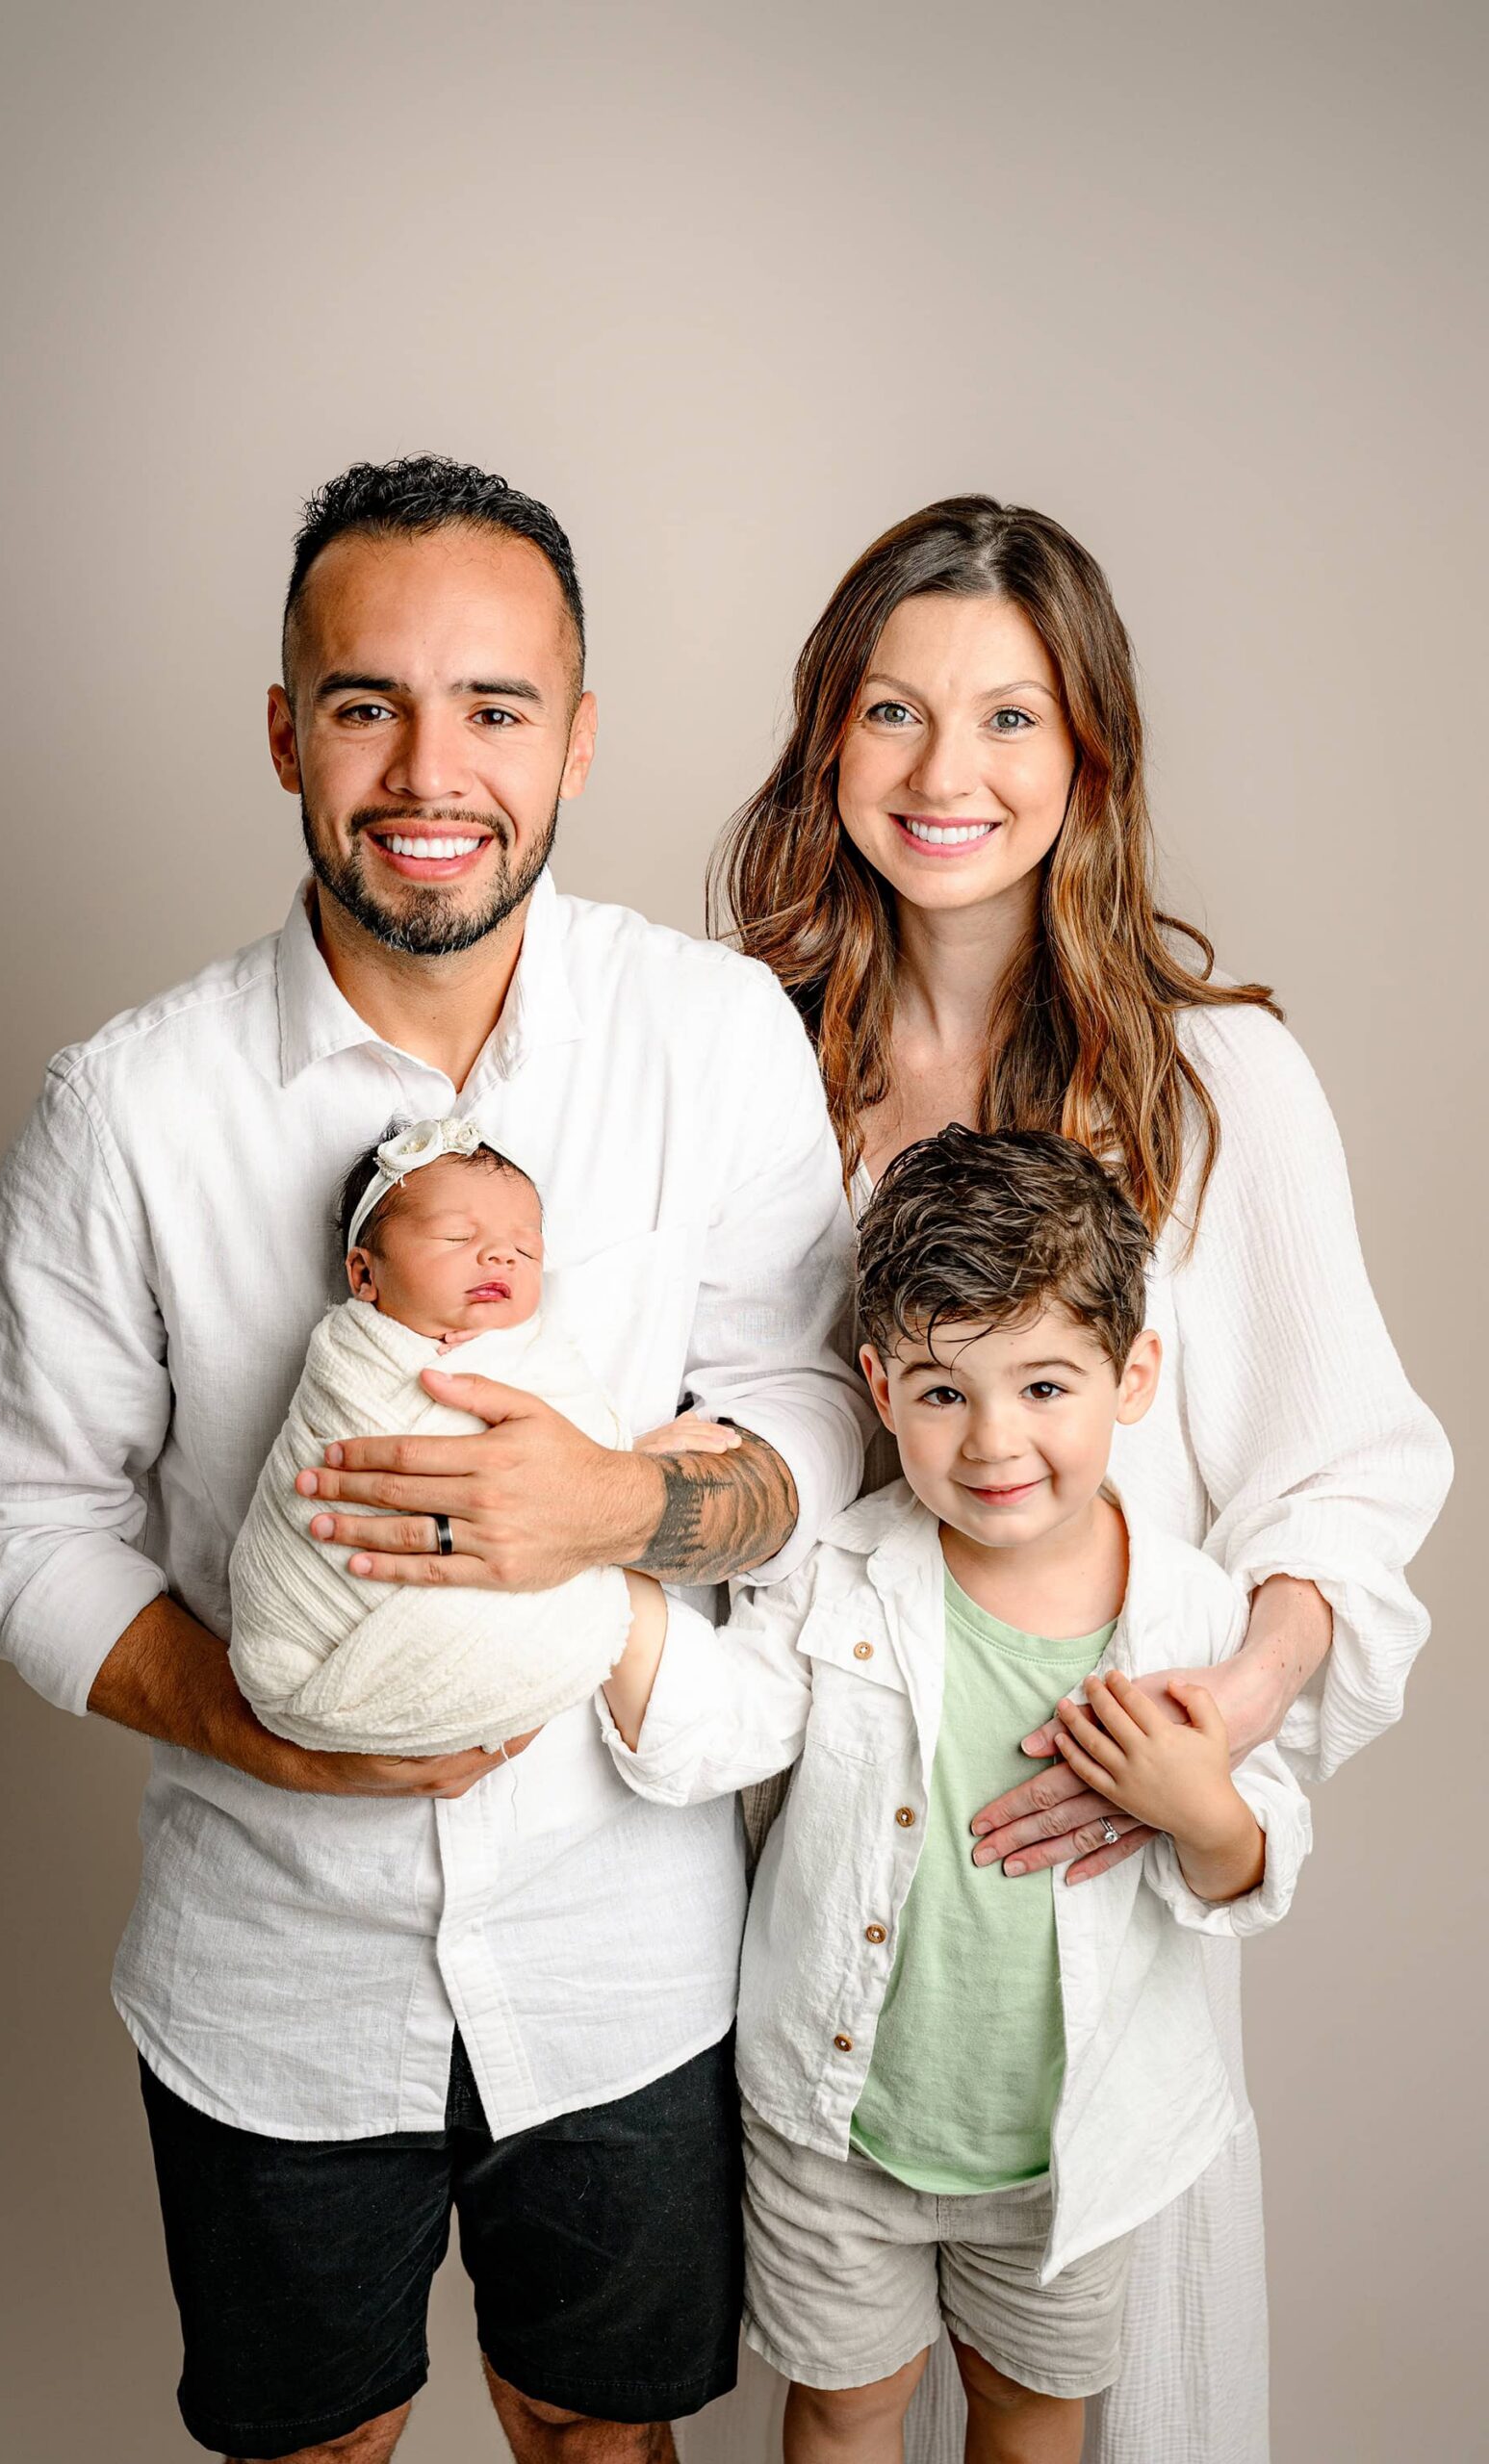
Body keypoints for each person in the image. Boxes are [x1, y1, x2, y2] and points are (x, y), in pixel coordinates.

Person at [0, 454, 871, 2464]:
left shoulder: (706, 1038)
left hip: (627, 1954)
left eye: (493, 707)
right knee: (313, 2446)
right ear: (285, 728)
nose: (429, 770)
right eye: (366, 702)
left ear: (580, 740)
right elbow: (6, 1517)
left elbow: (811, 1404)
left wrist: (625, 1502)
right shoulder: (129, 1105)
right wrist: (258, 1723)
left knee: (595, 2435)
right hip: (270, 1966)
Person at [714, 495, 1450, 2459]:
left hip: (1090, 1896)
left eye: (1009, 717)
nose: (945, 772)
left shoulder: (1215, 1086)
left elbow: (1349, 1473)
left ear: (1088, 752)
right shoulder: (738, 1072)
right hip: (796, 1890)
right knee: (827, 2387)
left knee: (1087, 2403)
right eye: (889, 710)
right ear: (824, 741)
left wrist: (1232, 1696)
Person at [600, 1125, 1312, 2464]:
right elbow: (710, 1731)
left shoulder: (1189, 1614)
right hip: (837, 2121)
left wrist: (1193, 1802)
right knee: (846, 2411)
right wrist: (618, 1550)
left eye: (1044, 1386)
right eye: (940, 1392)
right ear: (875, 1386)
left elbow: (1252, 1863)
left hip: (1063, 2145)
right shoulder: (835, 1571)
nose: (993, 1442)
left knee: (1029, 2420)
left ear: (1131, 1374)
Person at [228, 1113, 731, 1758]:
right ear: (363, 1275)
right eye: (455, 1236)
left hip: (512, 1677)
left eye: (525, 1251)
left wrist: (628, 1464)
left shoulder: (537, 1357)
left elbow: (579, 1477)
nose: (499, 1255)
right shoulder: (349, 1361)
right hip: (312, 1648)